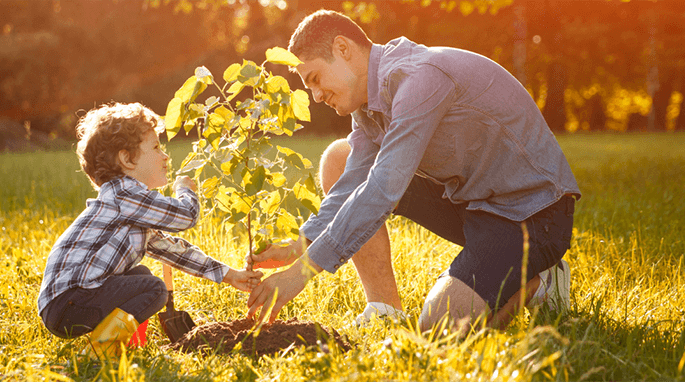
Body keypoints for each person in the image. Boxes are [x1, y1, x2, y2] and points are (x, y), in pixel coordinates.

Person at [246, 10, 580, 332]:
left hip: (532, 214)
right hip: (473, 205)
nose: (316, 95)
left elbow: (383, 187)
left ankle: (542, 284)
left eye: (315, 79)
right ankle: (384, 309)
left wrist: (301, 273)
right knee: (340, 158)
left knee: (440, 328)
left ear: (342, 48)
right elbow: (352, 182)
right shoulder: (367, 107)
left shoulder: (419, 78)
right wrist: (301, 243)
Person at [37, 102, 262, 358]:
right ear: (126, 159)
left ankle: (125, 345)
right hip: (71, 302)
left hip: (66, 304)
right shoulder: (124, 194)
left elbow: (173, 250)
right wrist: (185, 191)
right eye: (156, 148)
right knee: (154, 289)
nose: (165, 156)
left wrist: (229, 274)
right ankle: (100, 352)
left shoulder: (128, 207)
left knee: (140, 274)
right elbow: (186, 216)